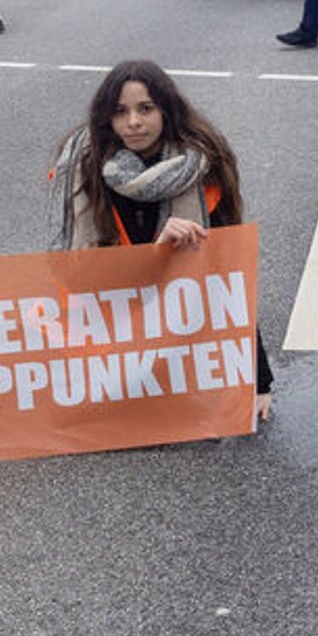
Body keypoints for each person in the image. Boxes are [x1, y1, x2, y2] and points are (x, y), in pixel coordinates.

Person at [50, 61, 274, 422]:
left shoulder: (200, 170)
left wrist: (258, 382)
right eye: (120, 112)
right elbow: (82, 278)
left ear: (166, 111)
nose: (133, 122)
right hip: (112, 314)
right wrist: (156, 252)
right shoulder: (85, 167)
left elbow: (226, 281)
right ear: (107, 118)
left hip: (177, 320)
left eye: (145, 108)